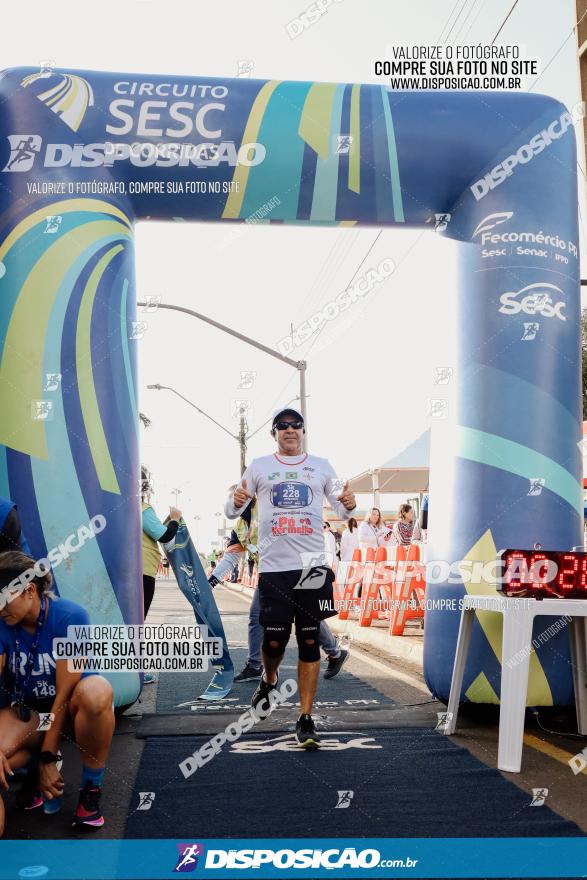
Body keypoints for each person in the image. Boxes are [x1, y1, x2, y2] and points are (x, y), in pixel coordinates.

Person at [225, 405, 356, 749]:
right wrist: (235, 499)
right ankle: (269, 681)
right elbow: (232, 510)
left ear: (302, 431)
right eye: (282, 426)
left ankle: (306, 717)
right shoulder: (259, 467)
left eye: (295, 425)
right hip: (274, 567)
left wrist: (350, 504)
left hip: (313, 564)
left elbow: (342, 509)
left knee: (311, 641)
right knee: (273, 642)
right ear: (274, 434)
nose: (289, 430)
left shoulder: (322, 467)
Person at [0, 551, 115, 835]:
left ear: (28, 591)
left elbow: (64, 693)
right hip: (32, 717)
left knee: (97, 691)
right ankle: (28, 775)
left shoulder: (71, 616)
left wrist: (50, 758)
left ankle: (90, 788)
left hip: (72, 712)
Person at [141, 466, 181, 619]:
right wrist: (175, 519)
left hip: (126, 570)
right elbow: (165, 535)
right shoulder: (142, 509)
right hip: (142, 571)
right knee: (137, 619)